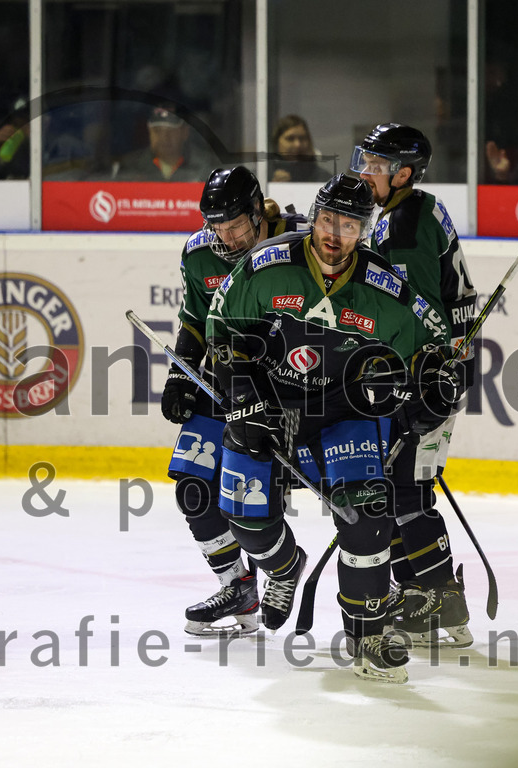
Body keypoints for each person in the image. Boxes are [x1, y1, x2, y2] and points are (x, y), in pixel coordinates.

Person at [206, 173, 457, 683]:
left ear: (365, 230)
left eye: (348, 225)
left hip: (343, 412)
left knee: (368, 514)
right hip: (271, 405)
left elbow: (426, 349)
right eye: (327, 220)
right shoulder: (267, 265)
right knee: (246, 519)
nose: (334, 234)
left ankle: (368, 636)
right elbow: (222, 331)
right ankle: (283, 566)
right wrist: (243, 396)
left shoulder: (384, 288)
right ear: (314, 218)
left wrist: (432, 385)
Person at [162, 166, 305, 637]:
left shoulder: (299, 243)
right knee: (191, 487)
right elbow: (194, 319)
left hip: (284, 389)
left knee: (252, 501)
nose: (224, 237)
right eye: (215, 225)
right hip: (223, 382)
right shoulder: (199, 253)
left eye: (235, 225)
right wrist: (180, 374)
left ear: (256, 211)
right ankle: (237, 587)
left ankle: (284, 568)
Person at [351, 124, 477, 648]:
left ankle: (444, 600)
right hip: (431, 371)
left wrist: (421, 381)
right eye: (364, 160)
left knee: (408, 491)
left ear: (403, 174)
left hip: (429, 376)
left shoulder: (404, 226)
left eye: (375, 165)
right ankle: (418, 593)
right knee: (397, 486)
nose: (365, 171)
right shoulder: (414, 209)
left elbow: (421, 316)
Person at [113, 106, 211, 182]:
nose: (164, 138)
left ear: (185, 132)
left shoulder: (205, 167)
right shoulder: (130, 166)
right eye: (157, 131)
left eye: (171, 131)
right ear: (149, 133)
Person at [269, 115, 331, 182]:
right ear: (276, 142)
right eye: (290, 138)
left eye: (302, 138)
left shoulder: (324, 179)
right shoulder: (265, 175)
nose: (298, 145)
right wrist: (273, 185)